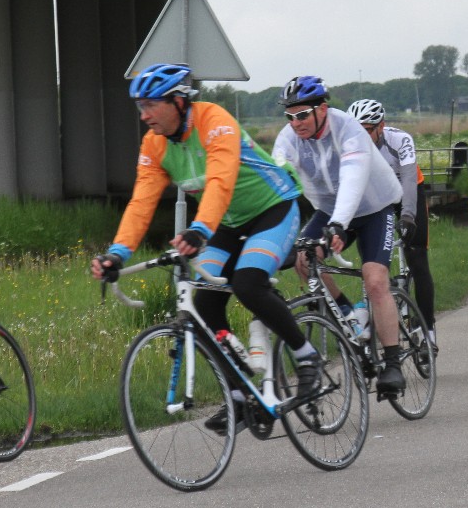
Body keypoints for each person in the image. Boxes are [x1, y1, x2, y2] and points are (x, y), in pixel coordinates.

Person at [92, 64, 321, 434]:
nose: (144, 115)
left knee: (248, 283)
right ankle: (240, 395)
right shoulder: (154, 144)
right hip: (227, 223)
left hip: (273, 209)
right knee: (203, 304)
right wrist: (117, 253)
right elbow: (141, 203)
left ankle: (306, 355)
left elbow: (220, 180)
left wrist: (199, 230)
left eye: (151, 104)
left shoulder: (215, 121)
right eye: (139, 106)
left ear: (179, 101)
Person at [272, 75, 409, 399]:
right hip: (330, 210)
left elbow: (352, 179)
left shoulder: (348, 129)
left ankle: (392, 363)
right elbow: (277, 182)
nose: (296, 123)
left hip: (374, 208)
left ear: (322, 109)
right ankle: (349, 315)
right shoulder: (289, 138)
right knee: (304, 260)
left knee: (375, 280)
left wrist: (338, 225)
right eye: (290, 116)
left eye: (302, 115)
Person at [347, 98, 436, 348]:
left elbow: (408, 179)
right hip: (378, 197)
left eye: (366, 130)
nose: (360, 137)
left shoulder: (400, 140)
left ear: (381, 126)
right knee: (371, 261)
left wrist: (408, 216)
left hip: (407, 191)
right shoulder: (349, 145)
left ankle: (428, 330)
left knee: (417, 257)